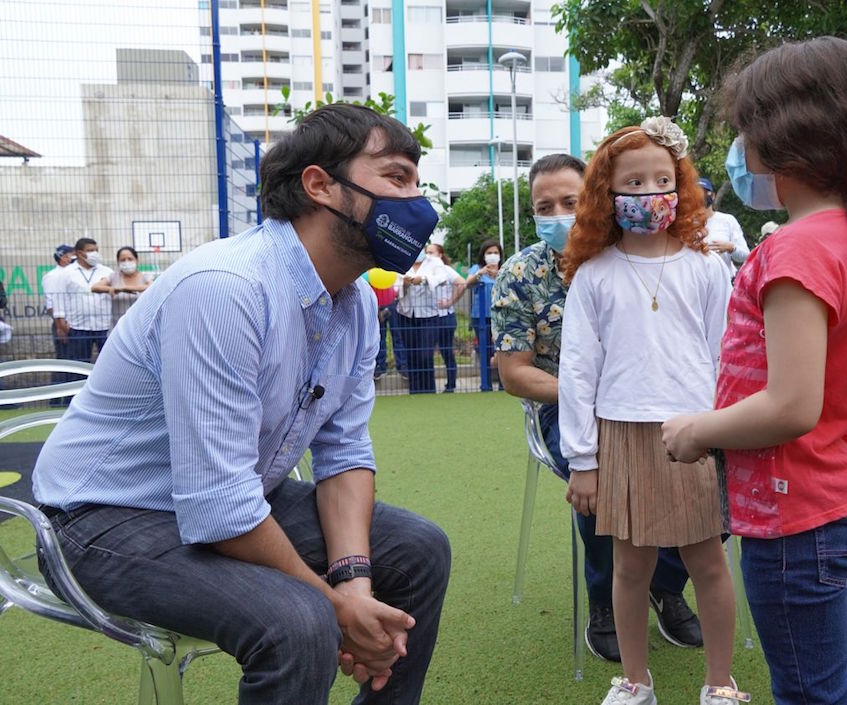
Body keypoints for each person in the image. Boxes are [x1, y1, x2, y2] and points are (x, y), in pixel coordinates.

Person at [33, 103, 451, 705]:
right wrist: (336, 607)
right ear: (319, 185)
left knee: (418, 549)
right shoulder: (226, 290)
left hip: (236, 496)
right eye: (396, 178)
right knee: (300, 619)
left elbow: (345, 453)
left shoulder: (355, 304)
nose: (418, 204)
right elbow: (218, 503)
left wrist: (355, 586)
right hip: (103, 517)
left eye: (417, 181)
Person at [662, 37, 847, 705]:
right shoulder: (844, 232)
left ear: (782, 134)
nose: (738, 146)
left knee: (808, 692)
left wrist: (698, 430)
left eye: (743, 128)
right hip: (821, 496)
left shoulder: (798, 247)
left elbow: (789, 404)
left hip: (794, 516)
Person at [559, 117, 744, 705]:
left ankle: (720, 682)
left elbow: (726, 354)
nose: (647, 194)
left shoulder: (707, 266)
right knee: (629, 567)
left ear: (681, 185)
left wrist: (725, 432)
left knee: (708, 562)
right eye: (632, 183)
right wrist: (582, 459)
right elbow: (577, 371)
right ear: (606, 195)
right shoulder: (593, 274)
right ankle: (635, 680)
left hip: (694, 432)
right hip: (621, 432)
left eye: (661, 180)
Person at [492, 153, 703, 664]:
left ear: (596, 197)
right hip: (564, 407)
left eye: (570, 200)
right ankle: (606, 600)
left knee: (711, 469)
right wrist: (585, 394)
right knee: (607, 485)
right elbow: (515, 373)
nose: (559, 213)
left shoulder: (639, 252)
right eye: (545, 206)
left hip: (657, 399)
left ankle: (663, 584)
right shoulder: (522, 274)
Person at [52, 238, 113, 363]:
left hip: (104, 326)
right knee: (79, 364)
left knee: (109, 363)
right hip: (77, 326)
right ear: (79, 253)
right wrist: (61, 323)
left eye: (96, 250)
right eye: (90, 250)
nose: (95, 253)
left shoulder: (107, 272)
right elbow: (58, 297)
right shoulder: (66, 273)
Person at [457, 239, 502, 390]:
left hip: (501, 316)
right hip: (480, 317)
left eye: (496, 252)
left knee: (502, 349)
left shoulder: (505, 268)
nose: (493, 255)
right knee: (485, 349)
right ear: (483, 255)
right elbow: (467, 283)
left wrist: (498, 275)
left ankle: (504, 383)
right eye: (489, 253)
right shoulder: (477, 269)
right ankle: (486, 383)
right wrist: (479, 273)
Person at [425, 243, 465, 393]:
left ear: (440, 255)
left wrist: (450, 301)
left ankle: (451, 384)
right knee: (426, 351)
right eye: (427, 252)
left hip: (445, 316)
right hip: (428, 316)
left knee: (446, 350)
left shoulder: (446, 270)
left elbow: (462, 284)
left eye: (432, 252)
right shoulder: (424, 271)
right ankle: (428, 386)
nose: (429, 256)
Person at [41, 243, 76, 398]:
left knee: (75, 359)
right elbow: (51, 303)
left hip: (75, 323)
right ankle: (56, 398)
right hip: (61, 323)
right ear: (63, 257)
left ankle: (71, 395)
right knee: (63, 361)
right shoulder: (53, 276)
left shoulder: (73, 274)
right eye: (72, 255)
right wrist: (60, 326)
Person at [697, 177, 749, 280]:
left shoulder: (727, 220)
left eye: (704, 193)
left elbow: (746, 255)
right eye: (696, 194)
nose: (700, 197)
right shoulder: (686, 224)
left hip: (725, 282)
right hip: (697, 284)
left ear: (713, 195)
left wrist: (730, 248)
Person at [91, 246, 154, 328]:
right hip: (118, 326)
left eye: (130, 259)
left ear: (136, 260)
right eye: (123, 260)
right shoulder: (113, 277)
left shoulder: (145, 276)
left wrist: (124, 288)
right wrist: (111, 289)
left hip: (141, 325)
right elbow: (95, 287)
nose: (126, 262)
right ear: (118, 263)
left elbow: (151, 287)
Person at [372, 280, 406, 381]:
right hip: (377, 301)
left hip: (392, 301)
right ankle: (379, 366)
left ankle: (402, 365)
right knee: (379, 337)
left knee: (397, 335)